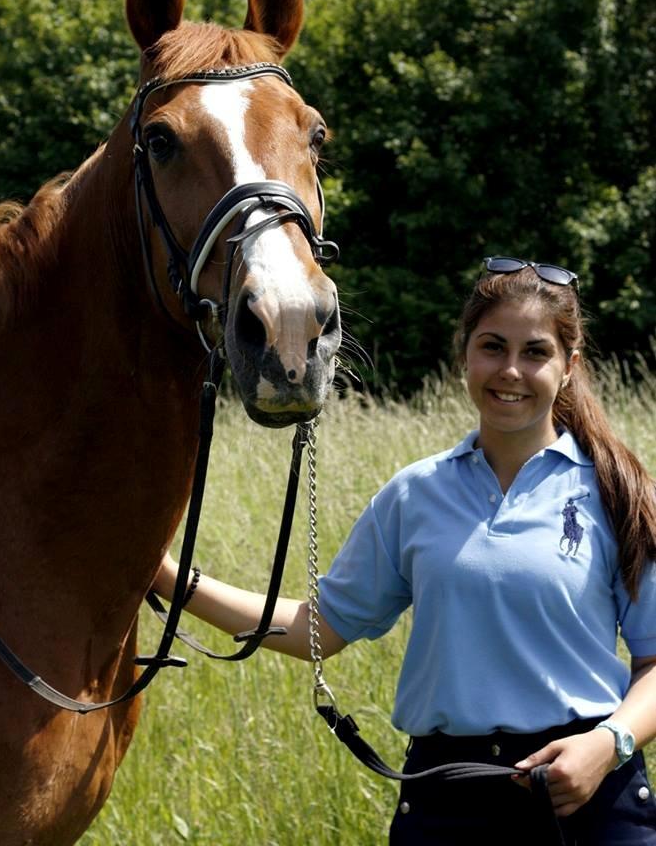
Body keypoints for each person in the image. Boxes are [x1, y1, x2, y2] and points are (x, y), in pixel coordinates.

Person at [153, 257, 656, 845]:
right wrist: (166, 577)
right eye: (492, 346)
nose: (511, 370)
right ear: (464, 352)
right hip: (447, 801)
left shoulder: (618, 493)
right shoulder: (414, 495)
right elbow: (317, 628)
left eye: (535, 352)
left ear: (569, 367)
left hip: (589, 797)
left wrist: (608, 743)